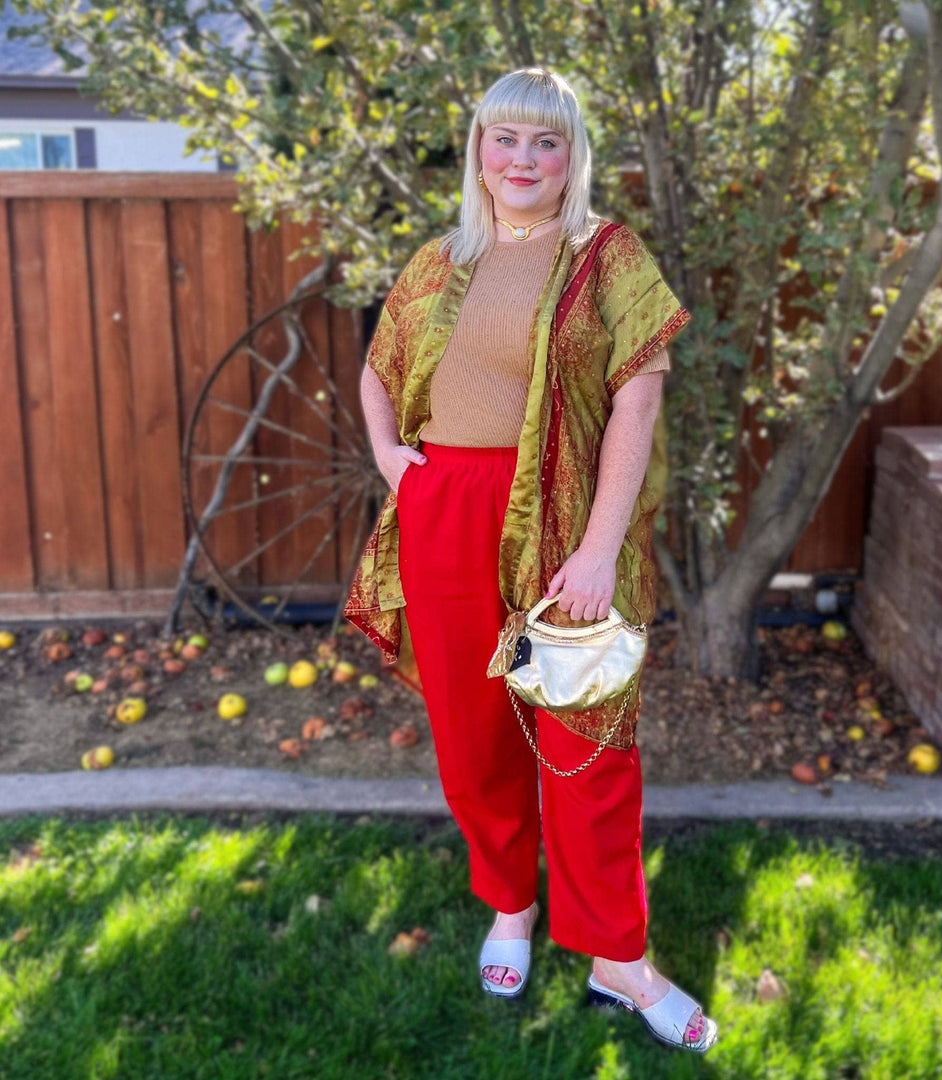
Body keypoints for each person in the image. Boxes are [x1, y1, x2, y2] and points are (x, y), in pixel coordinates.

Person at [344, 68, 718, 1053]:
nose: (523, 160)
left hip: (564, 526)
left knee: (587, 742)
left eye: (545, 143)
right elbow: (378, 373)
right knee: (475, 735)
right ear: (479, 150)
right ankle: (510, 904)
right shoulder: (438, 261)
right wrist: (393, 462)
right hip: (447, 516)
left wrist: (600, 548)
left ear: (571, 156)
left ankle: (616, 956)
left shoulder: (609, 256)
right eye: (505, 139)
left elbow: (637, 402)